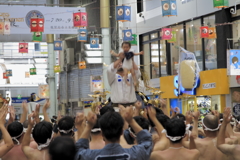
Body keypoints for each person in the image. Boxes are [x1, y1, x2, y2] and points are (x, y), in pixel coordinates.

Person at [75, 106, 153, 160]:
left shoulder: (91, 156)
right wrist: (131, 120)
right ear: (122, 132)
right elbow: (147, 140)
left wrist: (89, 126)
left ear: (102, 134)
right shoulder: (135, 154)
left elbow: (78, 150)